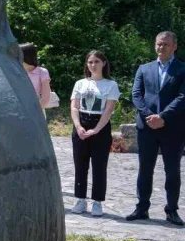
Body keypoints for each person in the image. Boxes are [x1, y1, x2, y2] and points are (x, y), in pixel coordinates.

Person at [127, 31, 185, 225]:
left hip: (173, 127)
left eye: (166, 44)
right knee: (145, 169)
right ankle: (142, 208)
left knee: (173, 170)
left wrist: (162, 116)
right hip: (147, 127)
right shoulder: (144, 68)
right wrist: (149, 116)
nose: (161, 47)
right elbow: (136, 95)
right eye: (159, 44)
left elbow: (182, 97)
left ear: (174, 46)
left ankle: (171, 210)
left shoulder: (182, 69)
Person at [69, 50, 119, 217]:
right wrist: (78, 126)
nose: (93, 65)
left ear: (103, 63)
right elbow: (74, 106)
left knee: (99, 166)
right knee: (80, 165)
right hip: (81, 126)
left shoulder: (110, 85)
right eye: (90, 62)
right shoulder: (80, 83)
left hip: (100, 128)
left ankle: (97, 202)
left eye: (96, 61)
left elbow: (108, 111)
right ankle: (80, 199)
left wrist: (96, 130)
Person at [21, 42, 52, 112]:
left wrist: (32, 113)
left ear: (25, 57)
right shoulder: (16, 72)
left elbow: (45, 98)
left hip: (36, 112)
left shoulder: (42, 72)